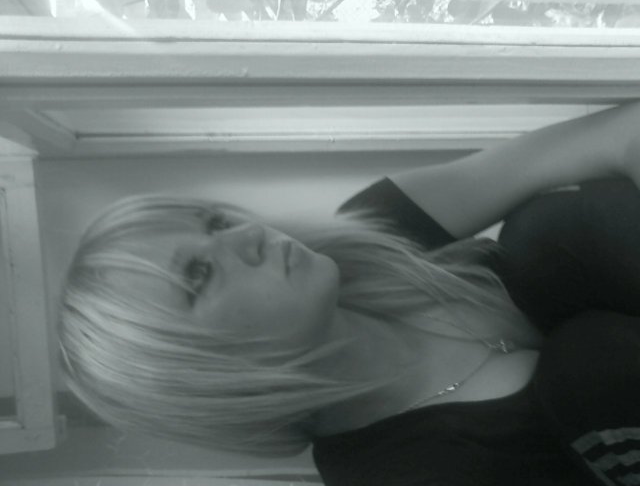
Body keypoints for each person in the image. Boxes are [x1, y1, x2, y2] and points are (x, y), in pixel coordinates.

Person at [58, 102, 640, 486]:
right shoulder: (415, 472)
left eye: (215, 222)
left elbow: (612, 135)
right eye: (199, 274)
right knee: (588, 365)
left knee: (547, 234)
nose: (247, 235)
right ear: (196, 372)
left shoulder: (373, 232)